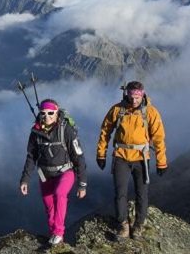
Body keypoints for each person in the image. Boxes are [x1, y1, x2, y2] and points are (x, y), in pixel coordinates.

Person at [95, 81, 167, 240]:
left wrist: (161, 161)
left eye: (137, 97)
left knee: (142, 193)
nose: (134, 100)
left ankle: (138, 226)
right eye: (131, 96)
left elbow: (159, 138)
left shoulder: (150, 112)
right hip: (121, 157)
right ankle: (123, 225)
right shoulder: (117, 110)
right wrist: (101, 154)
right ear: (126, 93)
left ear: (142, 95)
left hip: (141, 158)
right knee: (120, 193)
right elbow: (105, 132)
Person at [20, 99, 87, 245]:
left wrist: (82, 184)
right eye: (43, 113)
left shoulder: (66, 130)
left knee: (59, 194)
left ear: (57, 113)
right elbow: (31, 157)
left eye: (51, 113)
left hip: (66, 172)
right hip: (45, 175)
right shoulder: (36, 132)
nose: (47, 116)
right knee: (49, 207)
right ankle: (55, 236)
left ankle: (58, 232)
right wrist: (25, 179)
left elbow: (78, 156)